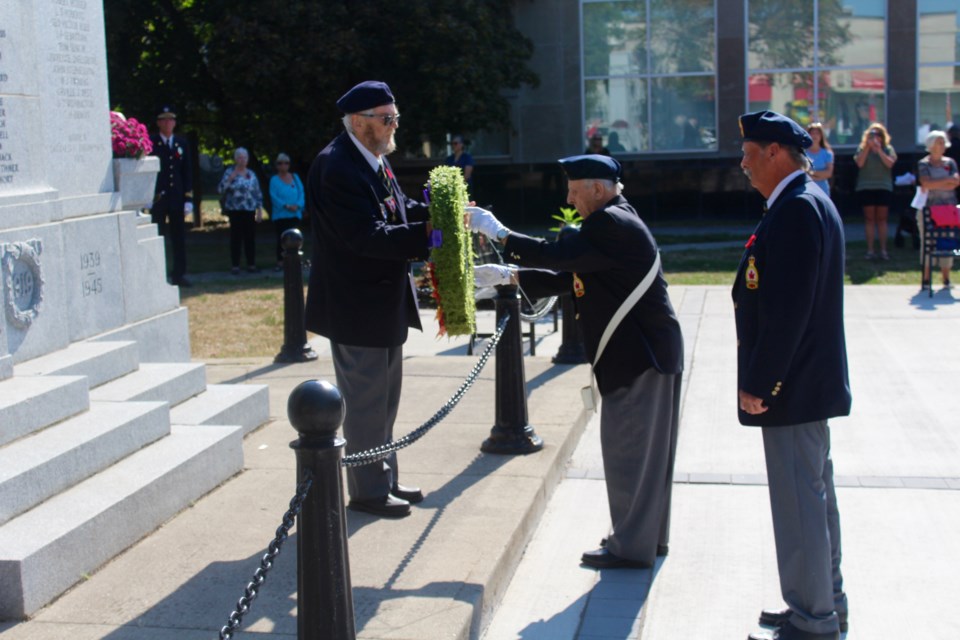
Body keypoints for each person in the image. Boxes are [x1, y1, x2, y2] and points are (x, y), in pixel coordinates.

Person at [468, 155, 684, 570]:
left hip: (639, 357)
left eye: (574, 190)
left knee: (628, 453)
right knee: (646, 457)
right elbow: (574, 276)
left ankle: (629, 547)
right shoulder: (618, 218)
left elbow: (558, 256)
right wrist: (508, 275)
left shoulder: (609, 223)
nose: (569, 198)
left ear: (597, 189)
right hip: (648, 353)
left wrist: (498, 232)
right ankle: (645, 539)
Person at [736, 110, 852, 640]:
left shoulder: (798, 208)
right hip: (804, 383)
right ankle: (822, 602)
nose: (742, 163)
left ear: (775, 153)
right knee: (813, 496)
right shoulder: (799, 202)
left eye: (749, 152)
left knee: (801, 504)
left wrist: (761, 382)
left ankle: (813, 618)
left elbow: (789, 310)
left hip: (792, 384)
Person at [304, 80, 437, 518]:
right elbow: (364, 236)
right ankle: (368, 491)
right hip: (356, 305)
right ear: (360, 123)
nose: (394, 124)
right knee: (364, 404)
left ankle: (385, 478)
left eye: (395, 116)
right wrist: (424, 236)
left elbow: (397, 211)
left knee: (384, 402)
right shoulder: (337, 166)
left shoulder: (374, 159)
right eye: (387, 118)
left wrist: (439, 215)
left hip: (382, 301)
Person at [149, 104, 194, 287]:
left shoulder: (181, 144)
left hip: (176, 198)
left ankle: (179, 274)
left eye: (171, 119)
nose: (168, 123)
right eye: (164, 119)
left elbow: (187, 172)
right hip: (158, 199)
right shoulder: (152, 143)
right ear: (159, 123)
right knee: (157, 237)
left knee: (178, 238)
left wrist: (188, 198)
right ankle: (157, 275)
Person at [917, 130, 959, 289]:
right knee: (928, 242)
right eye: (938, 142)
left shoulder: (950, 163)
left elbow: (956, 182)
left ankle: (946, 278)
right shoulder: (924, 164)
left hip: (949, 207)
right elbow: (926, 183)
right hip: (929, 207)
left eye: (943, 142)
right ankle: (926, 278)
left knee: (948, 240)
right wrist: (946, 180)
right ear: (931, 144)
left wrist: (940, 182)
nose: (942, 145)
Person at [854, 122, 897, 260]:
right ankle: (870, 250)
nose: (875, 137)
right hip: (866, 187)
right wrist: (867, 147)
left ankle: (883, 250)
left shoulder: (888, 149)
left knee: (882, 219)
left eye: (878, 134)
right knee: (869, 219)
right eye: (872, 134)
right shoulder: (861, 149)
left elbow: (890, 163)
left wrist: (879, 150)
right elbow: (860, 163)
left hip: (883, 187)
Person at [218, 147, 264, 274]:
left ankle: (251, 264)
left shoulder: (251, 174)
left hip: (249, 210)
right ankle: (235, 265)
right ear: (235, 159)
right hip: (235, 210)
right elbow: (220, 190)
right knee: (236, 237)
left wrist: (259, 209)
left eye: (244, 157)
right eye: (239, 157)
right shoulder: (229, 172)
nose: (242, 160)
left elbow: (257, 192)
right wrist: (230, 179)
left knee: (250, 237)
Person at [268, 152, 305, 271]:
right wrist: (287, 206)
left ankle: (295, 261)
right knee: (281, 238)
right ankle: (280, 262)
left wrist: (298, 205)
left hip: (295, 214)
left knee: (296, 239)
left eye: (286, 163)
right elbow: (273, 196)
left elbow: (301, 193)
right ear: (277, 165)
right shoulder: (274, 180)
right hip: (281, 215)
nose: (283, 165)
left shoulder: (295, 177)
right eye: (280, 163)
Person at [806, 122, 834, 198]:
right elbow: (803, 172)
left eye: (817, 133)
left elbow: (829, 173)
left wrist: (812, 174)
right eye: (812, 133)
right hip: (807, 189)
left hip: (823, 189)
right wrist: (820, 175)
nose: (814, 136)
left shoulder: (827, 153)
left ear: (821, 136)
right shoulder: (803, 153)